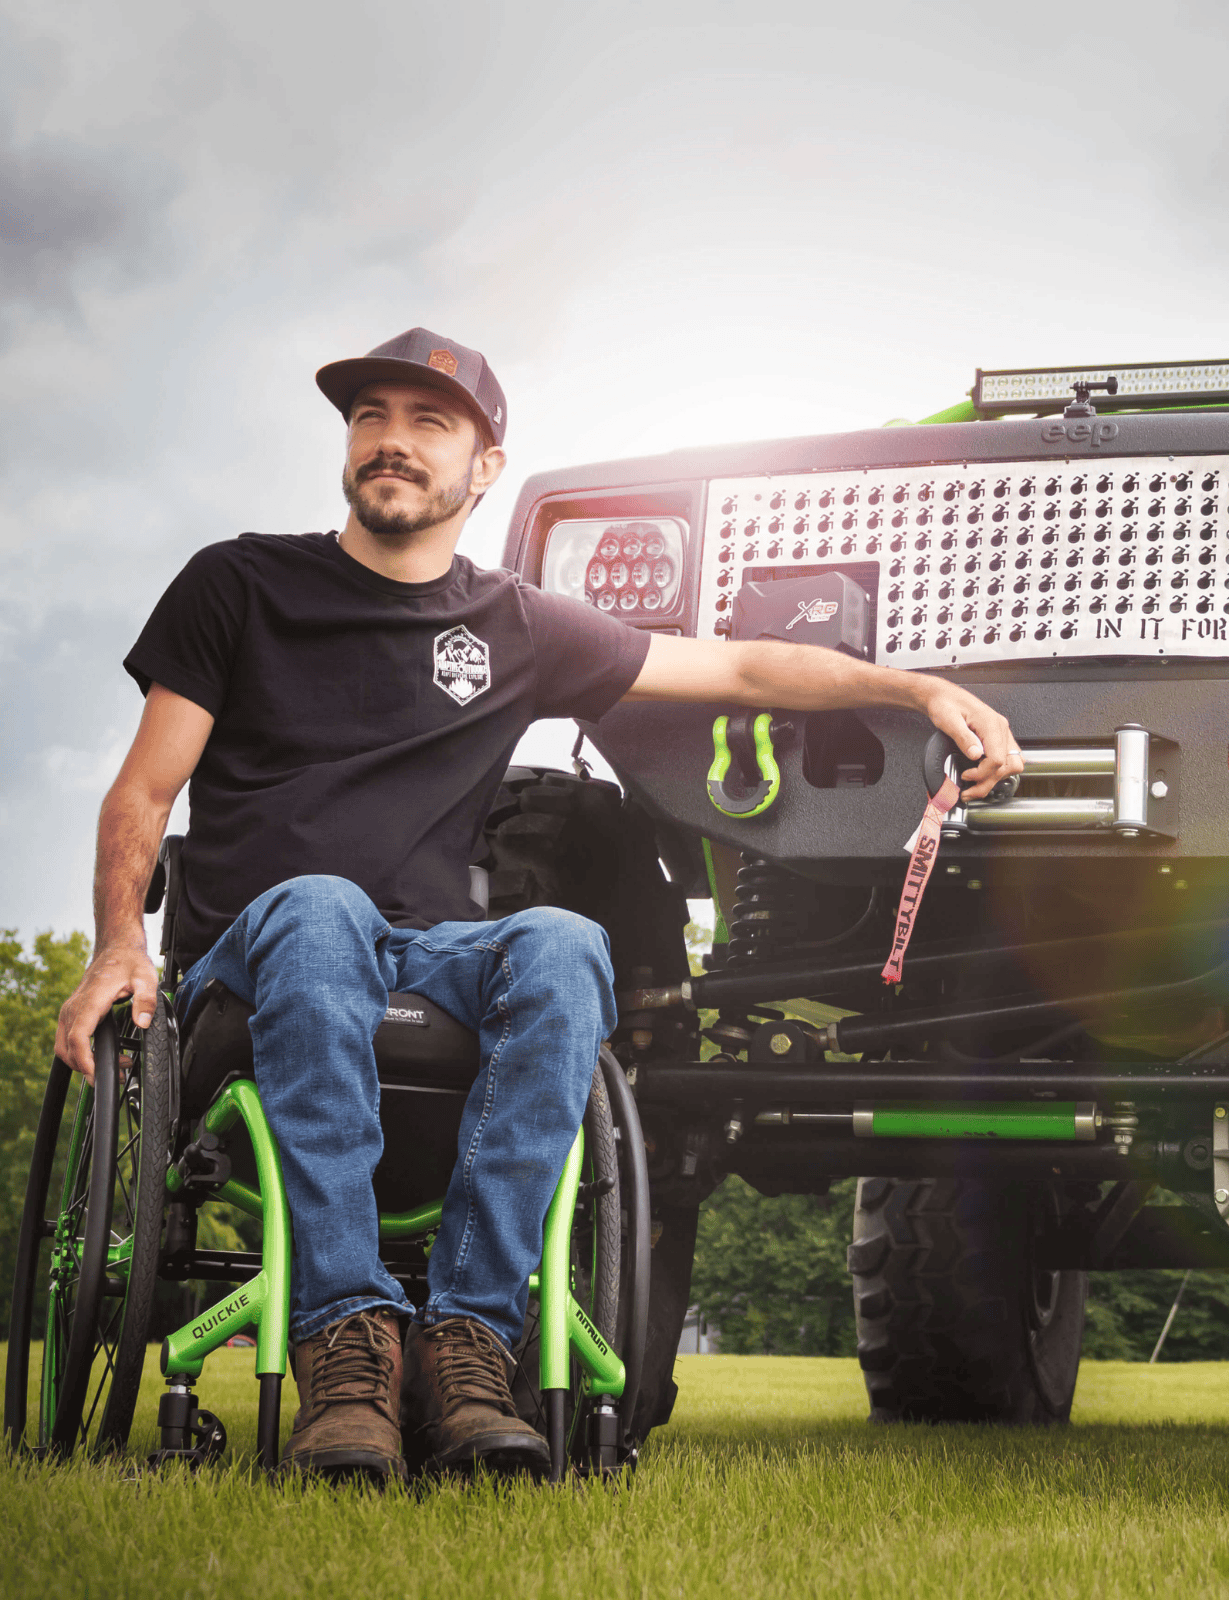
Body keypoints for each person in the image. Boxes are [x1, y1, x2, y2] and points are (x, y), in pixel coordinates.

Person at [53, 327, 1022, 1481]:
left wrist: (916, 688)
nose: (392, 442)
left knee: (563, 943)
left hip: (427, 958)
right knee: (319, 908)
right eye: (370, 418)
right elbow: (143, 791)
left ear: (485, 467)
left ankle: (468, 1340)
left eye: (428, 423)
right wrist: (117, 942)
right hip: (258, 962)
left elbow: (742, 667)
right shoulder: (239, 584)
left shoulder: (511, 623)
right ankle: (345, 1348)